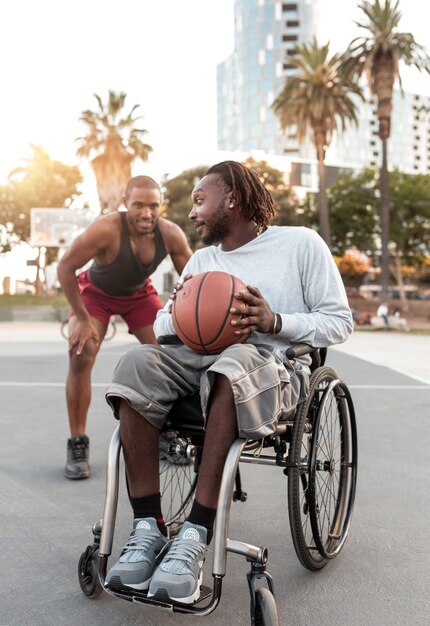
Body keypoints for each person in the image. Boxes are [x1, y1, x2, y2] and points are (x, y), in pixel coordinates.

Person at [103, 161, 353, 604]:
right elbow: (162, 322)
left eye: (200, 200)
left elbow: (338, 322)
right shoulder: (202, 260)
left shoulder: (300, 244)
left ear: (232, 198)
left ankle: (196, 532)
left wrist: (273, 320)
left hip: (275, 368)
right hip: (198, 361)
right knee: (135, 364)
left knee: (231, 364)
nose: (192, 212)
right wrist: (180, 314)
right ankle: (148, 528)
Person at [57, 175, 192, 480]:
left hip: (139, 296)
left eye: (153, 205)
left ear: (161, 206)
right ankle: (77, 442)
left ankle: (166, 435)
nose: (146, 213)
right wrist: (82, 316)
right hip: (95, 294)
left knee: (171, 355)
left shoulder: (171, 234)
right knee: (82, 351)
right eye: (139, 205)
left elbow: (194, 280)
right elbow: (65, 267)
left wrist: (187, 318)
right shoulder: (106, 228)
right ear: (125, 204)